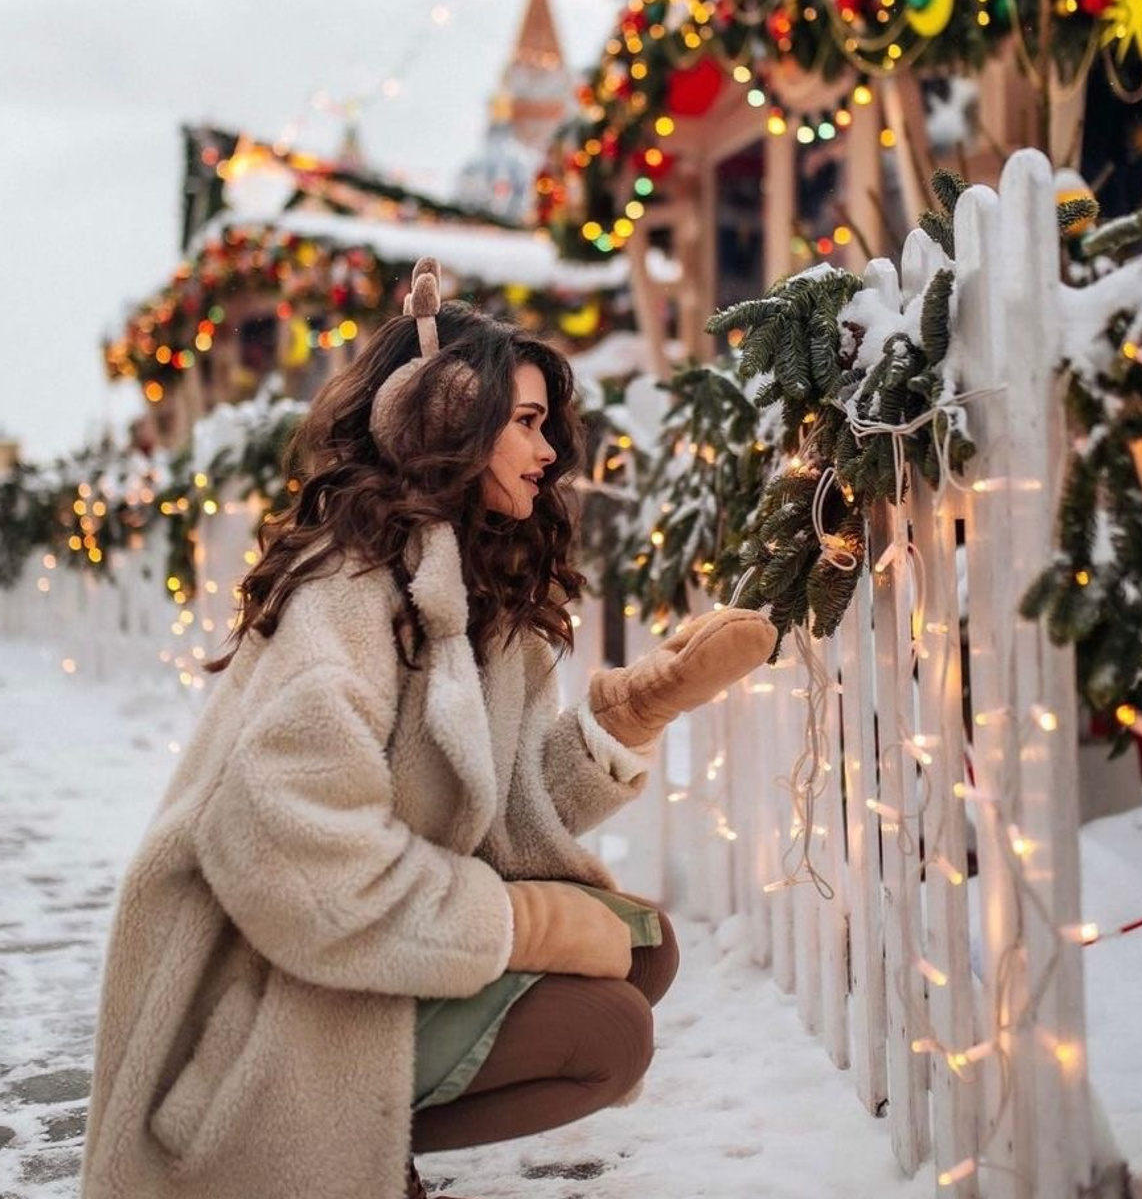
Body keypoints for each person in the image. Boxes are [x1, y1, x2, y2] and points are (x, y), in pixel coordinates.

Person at [80, 259, 777, 1199]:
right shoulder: (351, 592)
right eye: (527, 424)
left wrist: (637, 707)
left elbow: (503, 809)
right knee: (607, 1030)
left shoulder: (470, 592)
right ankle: (298, 1156)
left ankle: (367, 1143)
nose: (550, 455)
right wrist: (521, 924)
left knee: (644, 946)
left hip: (349, 947)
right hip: (260, 985)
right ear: (454, 423)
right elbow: (288, 862)